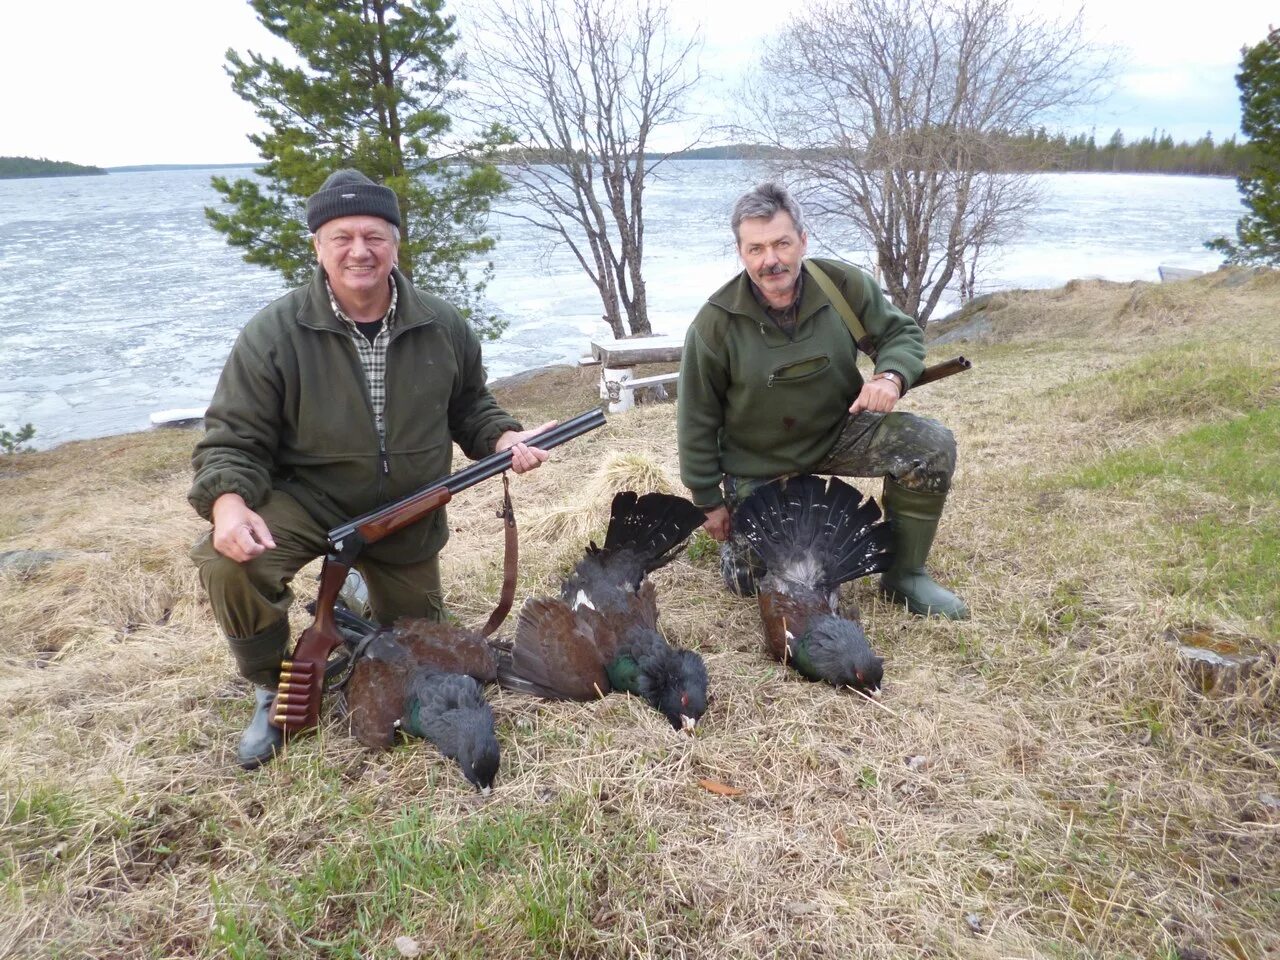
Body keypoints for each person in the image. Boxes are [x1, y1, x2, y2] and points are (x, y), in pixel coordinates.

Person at [189, 169, 552, 770]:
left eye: (375, 236)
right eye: (342, 236)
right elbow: (233, 437)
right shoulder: (272, 335)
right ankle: (269, 685)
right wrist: (228, 502)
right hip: (307, 501)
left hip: (406, 513)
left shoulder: (443, 324)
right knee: (226, 563)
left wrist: (505, 437)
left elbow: (471, 408)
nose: (360, 250)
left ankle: (352, 586)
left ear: (396, 243)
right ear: (318, 245)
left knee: (426, 652)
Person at [676, 182, 967, 620]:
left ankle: (905, 574)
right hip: (758, 460)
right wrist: (708, 500)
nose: (770, 260)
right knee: (747, 584)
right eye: (755, 249)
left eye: (781, 243)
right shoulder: (715, 324)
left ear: (803, 241)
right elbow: (696, 417)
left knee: (929, 444)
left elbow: (900, 334)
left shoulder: (841, 285)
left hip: (840, 429)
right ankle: (762, 535)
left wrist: (890, 376)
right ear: (741, 253)